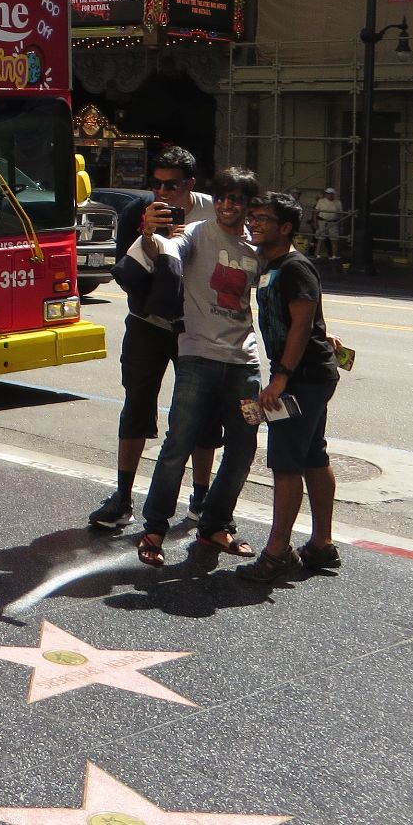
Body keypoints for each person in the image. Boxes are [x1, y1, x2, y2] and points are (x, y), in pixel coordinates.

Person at [132, 167, 264, 567]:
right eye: (222, 197)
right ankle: (155, 527)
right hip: (196, 356)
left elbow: (277, 297)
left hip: (245, 362)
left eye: (237, 199)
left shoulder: (256, 248)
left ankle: (216, 523)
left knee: (242, 450)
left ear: (247, 205)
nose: (228, 205)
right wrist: (150, 236)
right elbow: (160, 254)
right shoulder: (194, 232)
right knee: (178, 446)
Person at [90, 147, 218, 529]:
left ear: (191, 184)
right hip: (148, 322)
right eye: (157, 184)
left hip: (196, 326)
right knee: (136, 406)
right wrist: (150, 236)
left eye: (173, 185)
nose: (164, 193)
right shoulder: (139, 213)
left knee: (203, 414)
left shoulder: (214, 212)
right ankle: (123, 498)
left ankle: (201, 497)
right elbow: (128, 272)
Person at [238, 192, 344, 582]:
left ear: (285, 227)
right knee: (314, 456)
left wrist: (280, 377)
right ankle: (321, 545)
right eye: (254, 216)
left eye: (264, 218)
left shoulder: (295, 267)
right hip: (310, 372)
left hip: (302, 377)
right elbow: (309, 318)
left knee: (286, 464)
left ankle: (277, 552)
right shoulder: (273, 265)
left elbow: (301, 325)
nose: (255, 223)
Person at [313, 187, 346, 261]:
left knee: (334, 239)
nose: (329, 195)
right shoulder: (321, 201)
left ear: (334, 194)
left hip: (333, 222)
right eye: (328, 194)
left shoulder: (338, 202)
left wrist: (341, 225)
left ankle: (334, 255)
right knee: (320, 238)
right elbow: (316, 212)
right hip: (322, 221)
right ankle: (317, 254)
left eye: (331, 194)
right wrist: (315, 222)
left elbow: (341, 214)